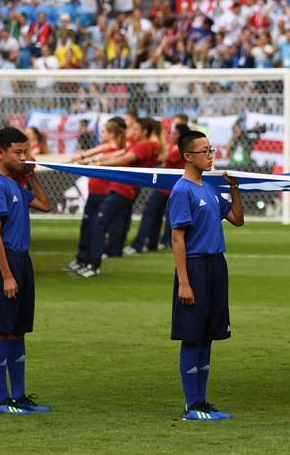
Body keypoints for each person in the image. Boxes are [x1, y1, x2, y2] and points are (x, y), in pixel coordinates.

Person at [168, 130, 245, 421]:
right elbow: (177, 239)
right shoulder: (182, 191)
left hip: (216, 266)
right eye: (205, 151)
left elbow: (237, 219)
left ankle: (201, 401)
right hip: (195, 267)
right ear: (188, 156)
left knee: (209, 335)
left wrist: (234, 189)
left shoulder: (210, 189)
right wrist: (184, 282)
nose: (211, 156)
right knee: (193, 336)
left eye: (211, 150)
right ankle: (192, 405)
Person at [0, 127, 52, 415]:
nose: (24, 157)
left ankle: (19, 396)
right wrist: (7, 275)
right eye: (18, 153)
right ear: (0, 153)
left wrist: (32, 177)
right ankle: (2, 400)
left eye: (26, 152)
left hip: (22, 260)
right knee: (0, 331)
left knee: (18, 330)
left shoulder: (14, 185)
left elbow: (45, 205)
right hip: (6, 262)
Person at [76, 117, 161, 277]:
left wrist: (98, 164)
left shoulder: (145, 146)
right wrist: (94, 159)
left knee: (100, 223)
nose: (133, 132)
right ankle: (91, 263)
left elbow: (123, 158)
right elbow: (119, 154)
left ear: (144, 132)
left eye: (136, 129)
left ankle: (93, 265)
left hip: (124, 190)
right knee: (100, 223)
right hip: (118, 188)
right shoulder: (138, 145)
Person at [64, 118, 127, 272]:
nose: (101, 134)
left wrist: (85, 159)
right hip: (95, 191)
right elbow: (91, 154)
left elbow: (95, 155)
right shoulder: (107, 147)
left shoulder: (111, 149)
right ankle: (83, 259)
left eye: (104, 131)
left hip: (101, 192)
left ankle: (88, 261)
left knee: (92, 226)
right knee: (88, 225)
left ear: (112, 134)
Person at [125, 123, 189, 254]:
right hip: (169, 187)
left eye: (175, 133)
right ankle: (153, 243)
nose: (172, 136)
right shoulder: (178, 148)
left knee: (150, 214)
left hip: (165, 188)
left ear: (180, 135)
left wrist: (160, 141)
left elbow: (163, 158)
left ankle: (139, 244)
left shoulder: (179, 149)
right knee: (158, 215)